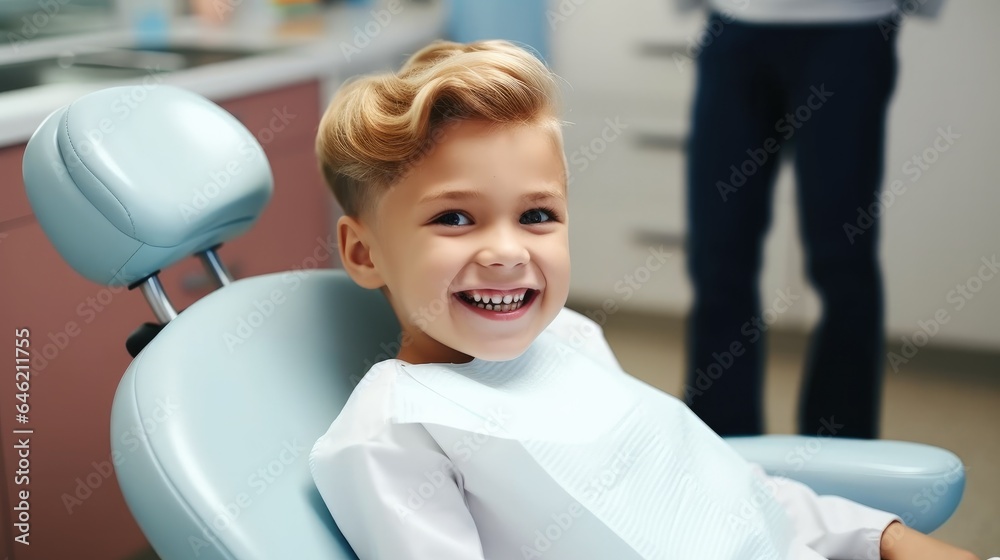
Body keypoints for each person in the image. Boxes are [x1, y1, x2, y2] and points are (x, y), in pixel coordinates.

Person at [308, 39, 975, 559]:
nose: (508, 253)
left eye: (537, 215)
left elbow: (718, 489)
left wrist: (882, 538)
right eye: (454, 219)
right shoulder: (394, 435)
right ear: (363, 252)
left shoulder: (568, 339)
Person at [680, 0, 942, 439]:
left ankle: (840, 450)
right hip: (734, 26)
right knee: (717, 252)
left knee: (842, 259)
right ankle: (718, 441)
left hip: (850, 30)